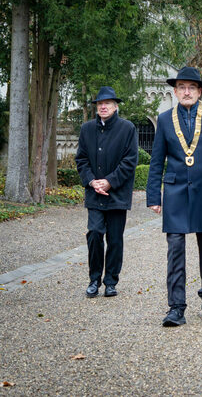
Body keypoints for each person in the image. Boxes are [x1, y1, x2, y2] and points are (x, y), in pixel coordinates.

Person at [146, 66, 202, 327]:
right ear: (175, 91)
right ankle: (176, 306)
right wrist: (154, 195)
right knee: (175, 248)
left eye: (192, 87)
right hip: (175, 191)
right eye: (182, 87)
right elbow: (156, 160)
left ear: (199, 92)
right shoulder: (164, 119)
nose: (187, 91)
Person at [76, 86, 138, 298]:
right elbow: (81, 159)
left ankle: (111, 281)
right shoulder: (86, 129)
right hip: (94, 194)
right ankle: (94, 279)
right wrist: (92, 181)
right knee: (94, 234)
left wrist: (109, 182)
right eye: (100, 104)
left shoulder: (127, 128)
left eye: (107, 103)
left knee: (114, 239)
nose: (103, 106)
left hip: (117, 194)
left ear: (115, 106)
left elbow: (130, 161)